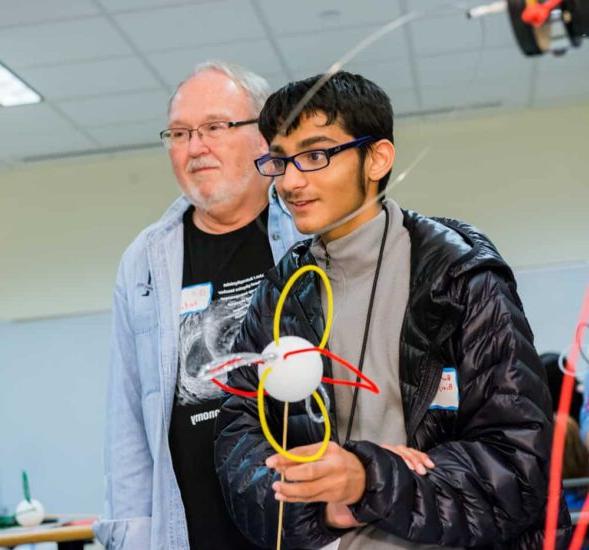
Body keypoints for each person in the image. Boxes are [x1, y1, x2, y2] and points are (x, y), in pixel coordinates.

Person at [215, 71, 571, 548]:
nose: (291, 181)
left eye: (316, 155)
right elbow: (239, 440)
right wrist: (320, 504)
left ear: (377, 158)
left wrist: (370, 480)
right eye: (280, 161)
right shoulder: (281, 293)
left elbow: (520, 466)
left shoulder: (460, 277)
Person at [94, 62, 306, 550]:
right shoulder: (145, 261)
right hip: (191, 529)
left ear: (263, 138)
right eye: (180, 133)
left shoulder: (307, 231)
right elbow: (127, 419)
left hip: (302, 522)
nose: (195, 147)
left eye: (214, 127)